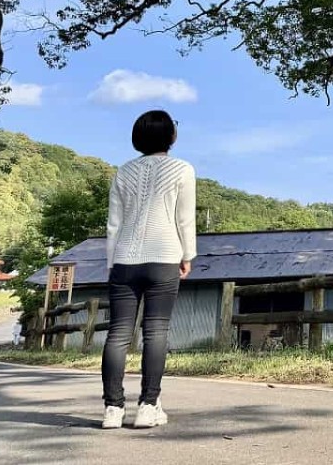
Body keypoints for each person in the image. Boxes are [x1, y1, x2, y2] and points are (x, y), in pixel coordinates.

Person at [101, 110, 196, 430]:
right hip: (164, 257)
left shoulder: (122, 172)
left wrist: (111, 263)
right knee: (155, 331)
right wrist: (188, 254)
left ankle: (112, 410)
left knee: (117, 334)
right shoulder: (182, 169)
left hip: (124, 260)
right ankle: (147, 405)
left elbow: (113, 225)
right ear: (171, 136)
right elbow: (185, 219)